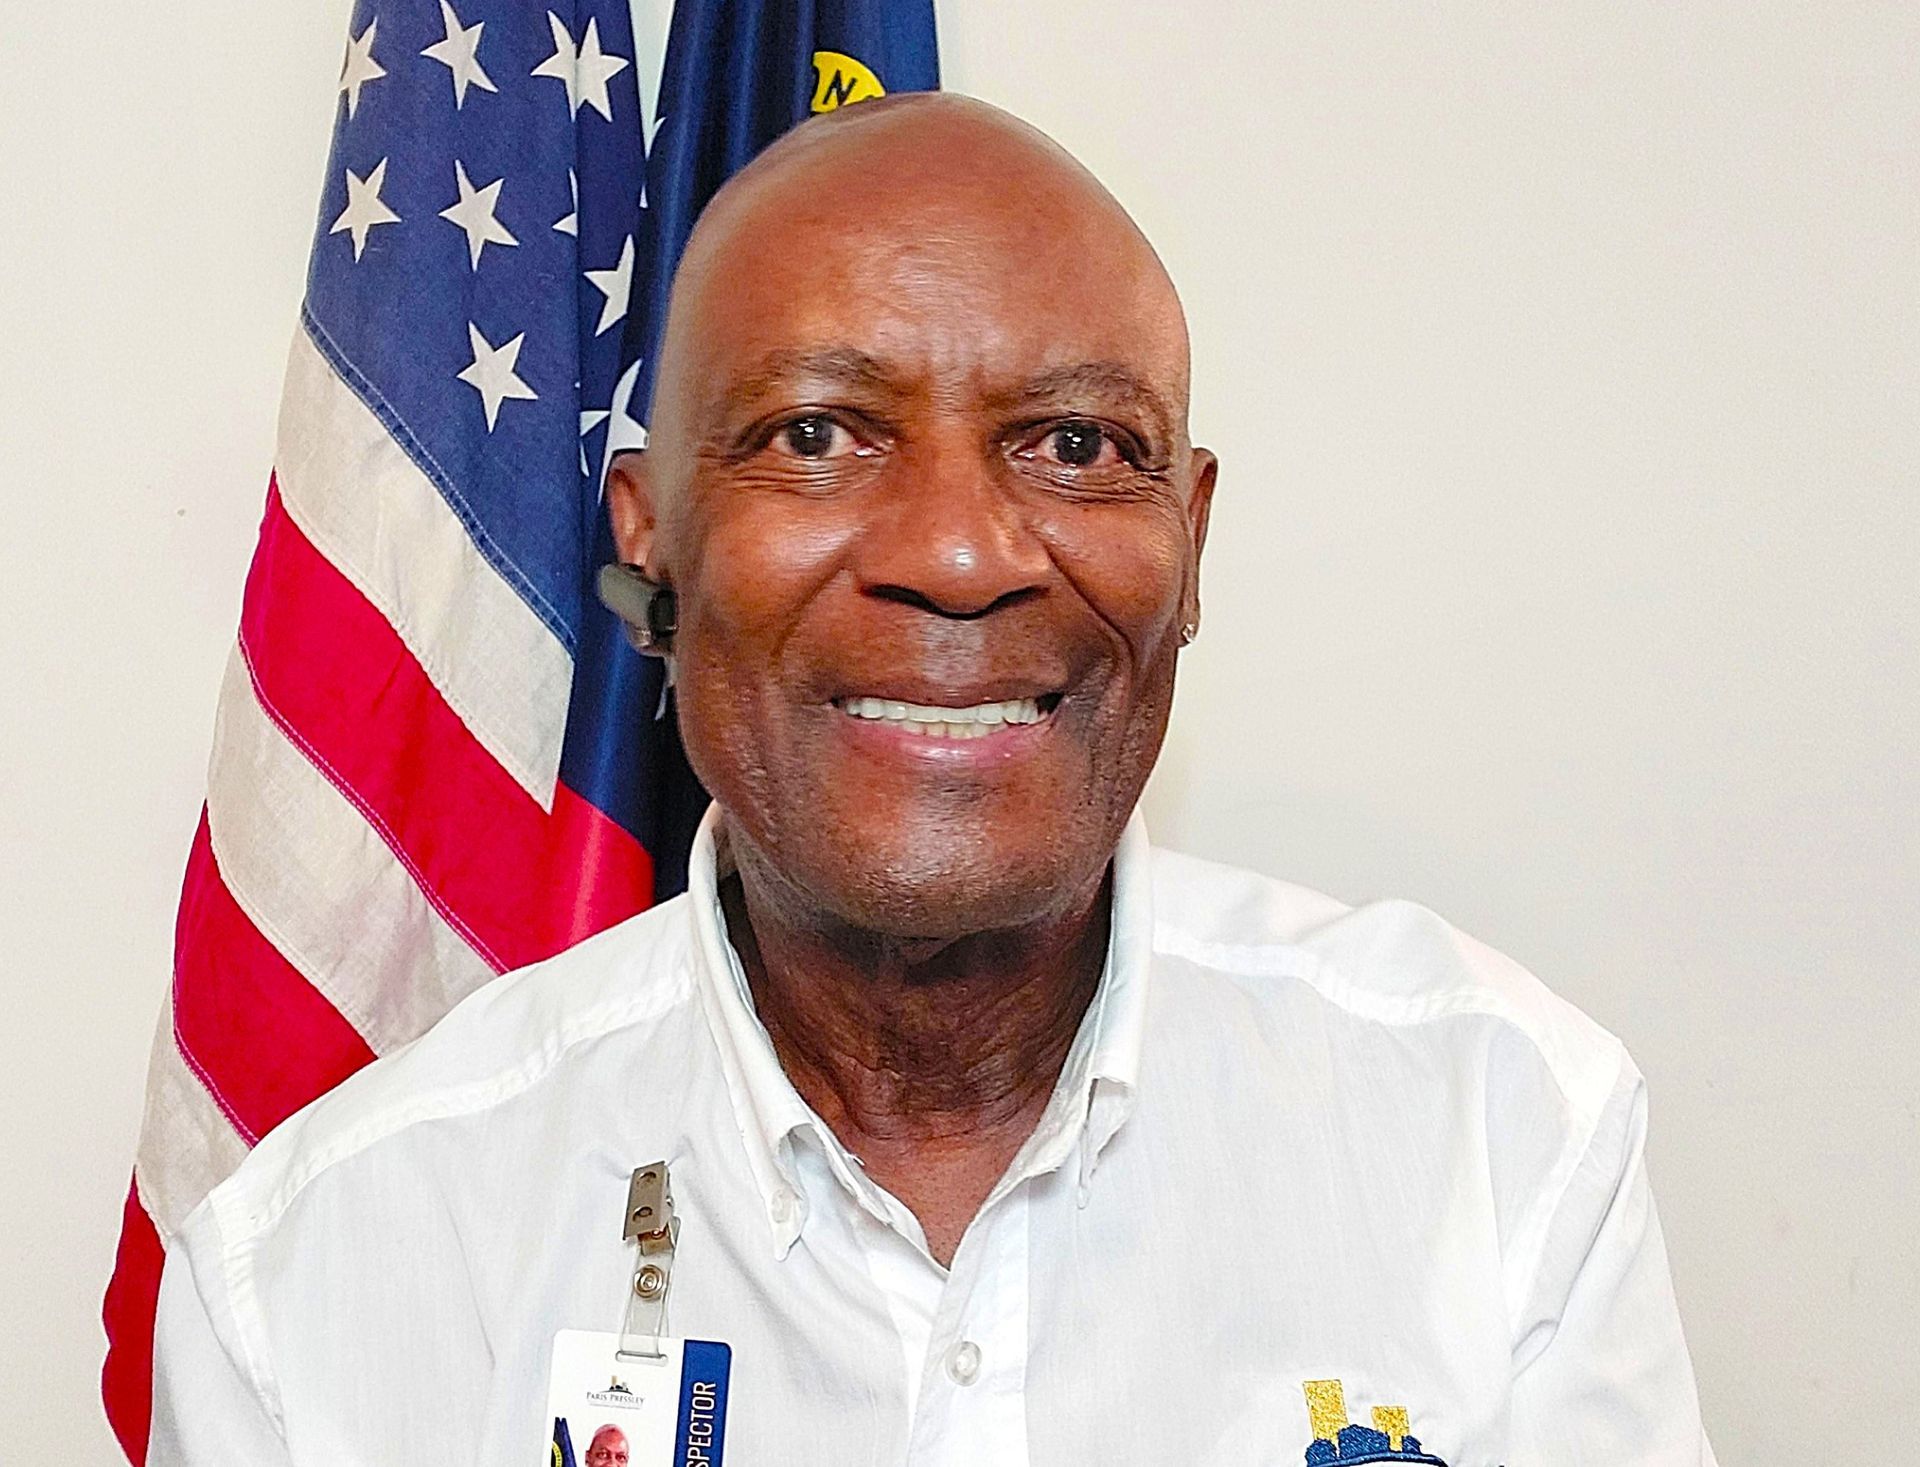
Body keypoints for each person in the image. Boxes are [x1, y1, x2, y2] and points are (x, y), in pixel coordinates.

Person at [147, 95, 1716, 1465]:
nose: (960, 554)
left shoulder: (1498, 1139)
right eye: (818, 433)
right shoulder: (324, 1282)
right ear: (650, 533)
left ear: (1194, 537)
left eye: (1082, 447)